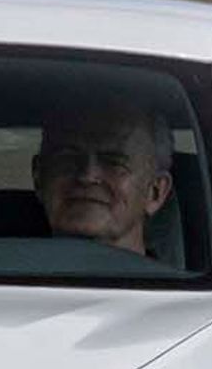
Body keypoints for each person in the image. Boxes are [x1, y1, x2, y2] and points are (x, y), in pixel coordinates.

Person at [31, 102, 174, 258]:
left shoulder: (183, 283)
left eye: (113, 162)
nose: (87, 176)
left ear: (155, 192)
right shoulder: (5, 277)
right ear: (38, 178)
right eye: (68, 159)